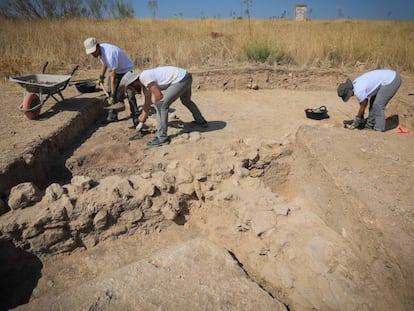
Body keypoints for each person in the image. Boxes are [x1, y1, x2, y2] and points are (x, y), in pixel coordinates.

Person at [118, 66, 208, 147]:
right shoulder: (145, 87)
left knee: (161, 106)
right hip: (185, 76)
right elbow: (147, 105)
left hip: (180, 79)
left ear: (133, 83)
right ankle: (201, 122)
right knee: (186, 101)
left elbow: (158, 95)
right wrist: (141, 122)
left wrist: (158, 105)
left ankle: (162, 138)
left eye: (130, 88)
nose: (132, 91)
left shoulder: (144, 77)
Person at [83, 37, 140, 127]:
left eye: (93, 51)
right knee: (110, 92)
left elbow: (113, 77)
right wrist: (101, 76)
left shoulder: (109, 53)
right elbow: (105, 64)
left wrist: (114, 95)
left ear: (98, 46)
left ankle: (136, 119)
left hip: (126, 71)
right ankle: (112, 116)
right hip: (116, 71)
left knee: (130, 95)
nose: (93, 54)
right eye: (91, 52)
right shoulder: (100, 53)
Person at [337, 69, 401, 131]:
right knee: (373, 101)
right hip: (388, 77)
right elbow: (364, 103)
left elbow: (364, 104)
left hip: (391, 80)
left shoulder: (358, 90)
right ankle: (370, 125)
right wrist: (360, 117)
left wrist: (358, 119)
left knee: (377, 105)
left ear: (349, 92)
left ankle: (379, 129)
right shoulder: (355, 85)